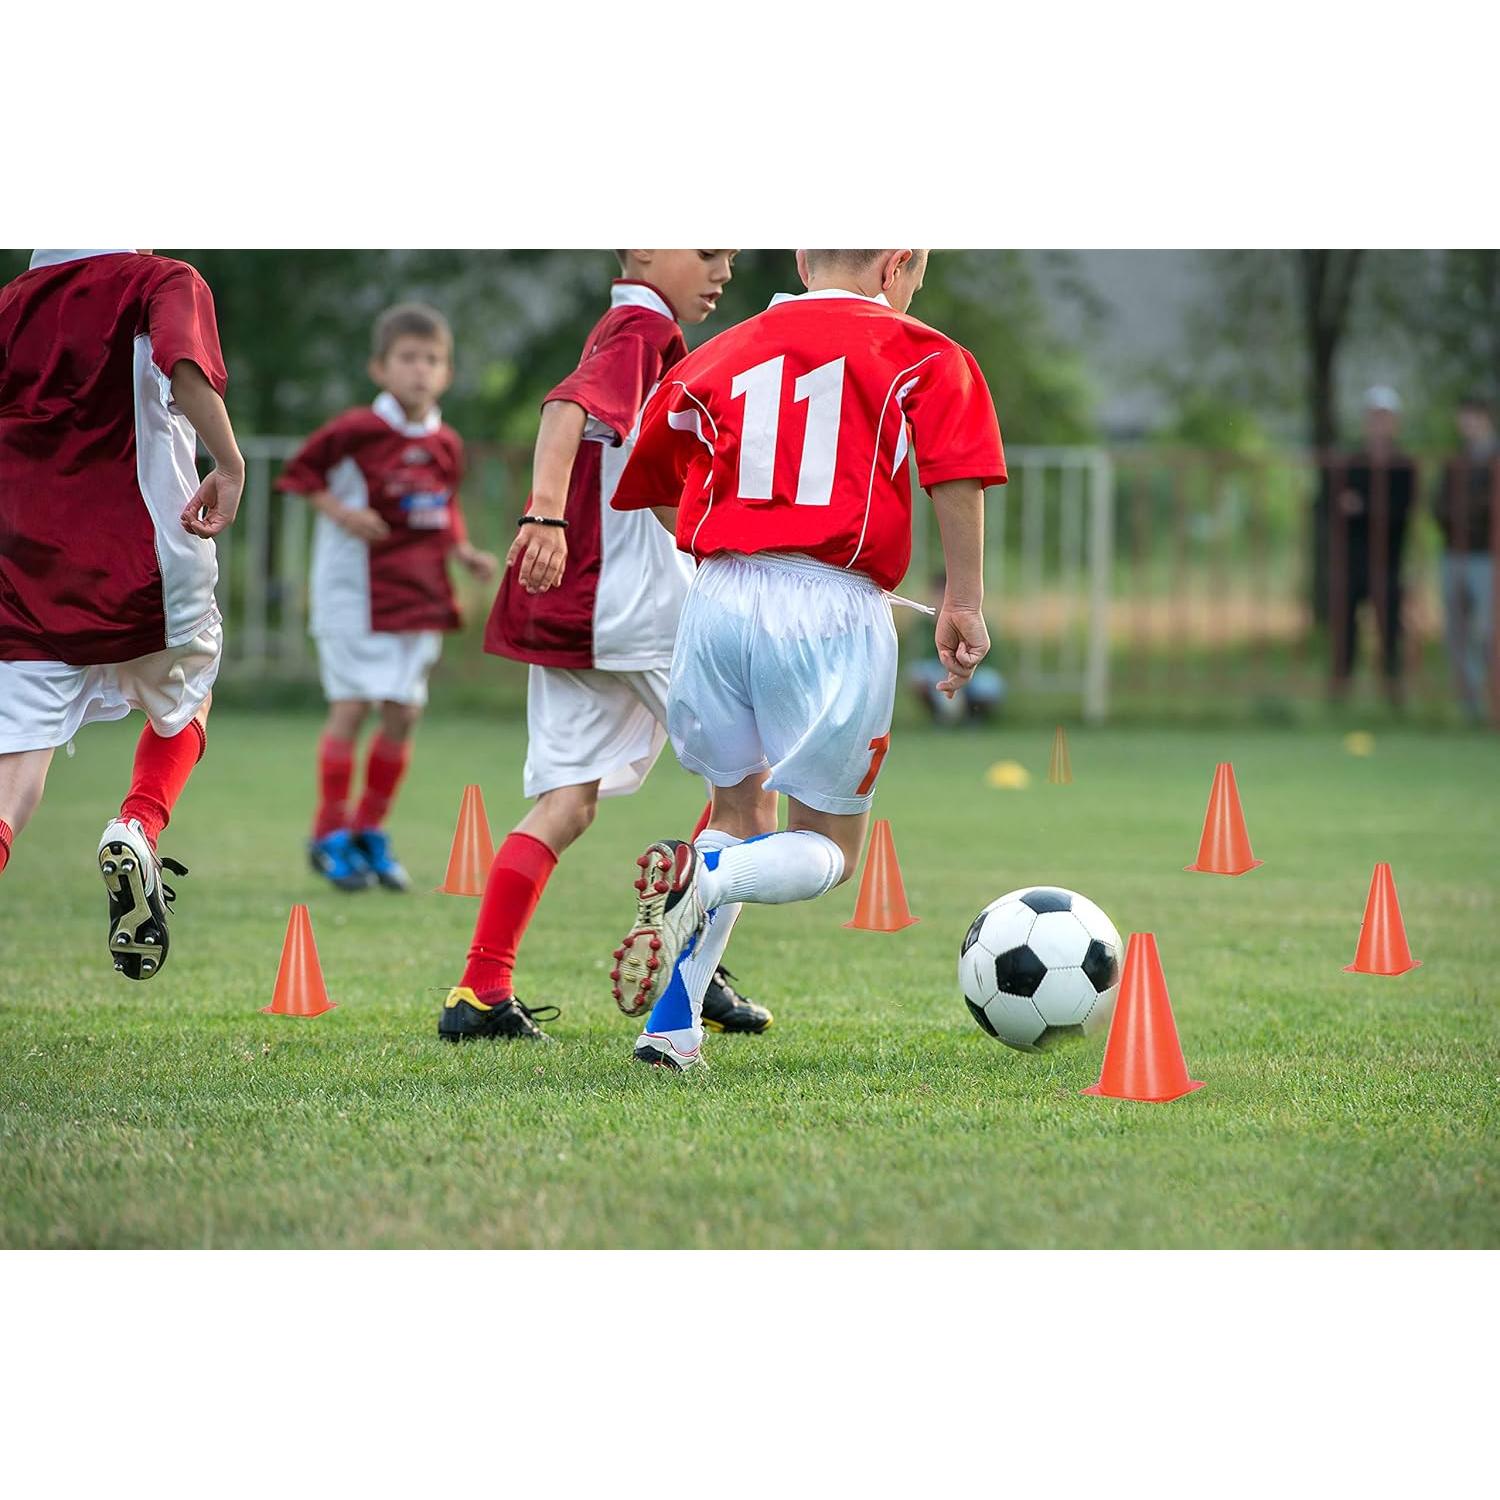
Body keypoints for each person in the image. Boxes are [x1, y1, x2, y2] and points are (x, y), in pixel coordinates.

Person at [603, 248, 1006, 1069]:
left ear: (800, 256)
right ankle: (701, 883)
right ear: (896, 263)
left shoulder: (721, 348)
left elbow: (651, 472)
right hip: (827, 607)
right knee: (829, 853)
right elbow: (957, 473)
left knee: (734, 818)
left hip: (716, 595)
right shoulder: (924, 352)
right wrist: (962, 601)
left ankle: (670, 1032)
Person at [438, 250, 771, 1043]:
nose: (723, 267)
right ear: (646, 246)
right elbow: (565, 407)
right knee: (754, 782)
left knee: (566, 802)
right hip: (640, 608)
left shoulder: (629, 327)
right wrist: (543, 513)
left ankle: (480, 991)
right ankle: (693, 964)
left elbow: (631, 470)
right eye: (708, 248)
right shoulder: (642, 325)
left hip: (578, 612)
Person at [0, 249, 242, 979]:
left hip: (27, 573)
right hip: (145, 562)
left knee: (13, 775)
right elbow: (185, 366)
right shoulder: (161, 280)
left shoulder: (11, 303)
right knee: (189, 687)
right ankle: (138, 822)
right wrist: (229, 463)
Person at [277, 305, 497, 893]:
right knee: (353, 708)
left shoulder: (445, 443)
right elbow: (298, 475)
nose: (420, 371)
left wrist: (465, 550)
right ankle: (329, 835)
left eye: (432, 360)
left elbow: (441, 504)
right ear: (380, 367)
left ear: (446, 373)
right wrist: (343, 513)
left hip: (419, 591)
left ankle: (369, 832)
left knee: (404, 711)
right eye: (407, 358)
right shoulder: (355, 431)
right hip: (355, 593)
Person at [1327, 386, 1417, 707]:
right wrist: (1367, 509)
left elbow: (1399, 512)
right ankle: (1339, 692)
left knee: (1390, 627)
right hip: (1355, 558)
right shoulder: (1353, 463)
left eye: (1385, 418)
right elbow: (1338, 506)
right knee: (1345, 626)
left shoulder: (1404, 466)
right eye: (1374, 417)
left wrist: (1364, 507)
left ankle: (1393, 693)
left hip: (1389, 559)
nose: (1379, 424)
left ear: (1394, 422)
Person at [1434, 395, 1497, 722]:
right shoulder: (1455, 460)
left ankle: (1493, 699)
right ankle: (1470, 705)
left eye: (1475, 417)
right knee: (1456, 632)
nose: (1469, 423)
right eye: (1465, 417)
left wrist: (1465, 514)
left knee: (1490, 632)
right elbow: (1439, 504)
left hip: (1488, 555)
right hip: (1454, 552)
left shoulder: (1495, 459)